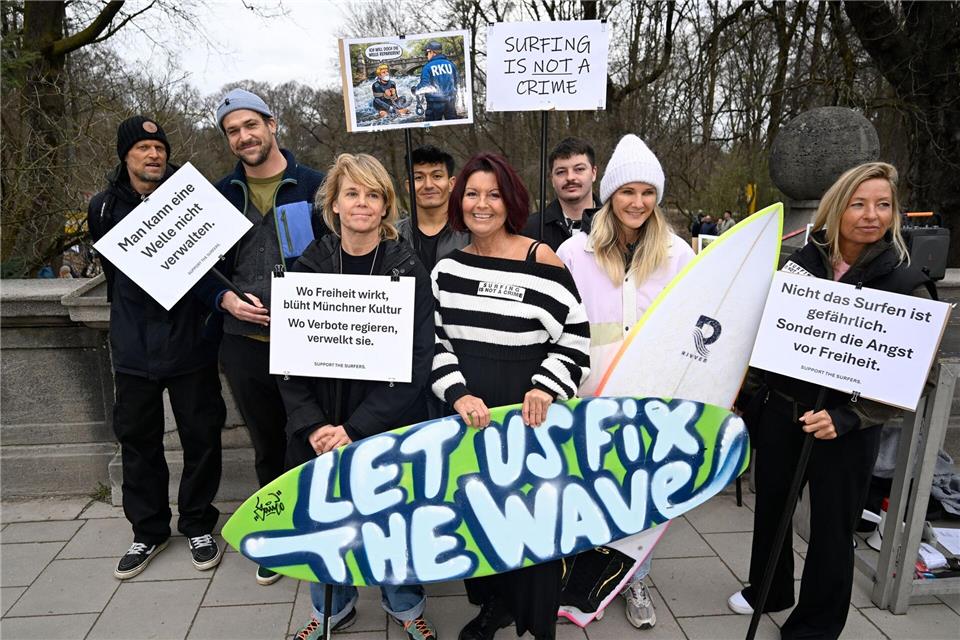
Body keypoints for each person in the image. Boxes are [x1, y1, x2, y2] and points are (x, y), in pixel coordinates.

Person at [728, 162, 934, 639]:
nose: (871, 215)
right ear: (836, 208)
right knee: (772, 508)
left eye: (883, 205)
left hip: (845, 429)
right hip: (783, 412)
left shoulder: (905, 281)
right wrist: (749, 395)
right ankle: (769, 589)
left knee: (832, 530)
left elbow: (909, 376)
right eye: (859, 204)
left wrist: (849, 417)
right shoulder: (799, 263)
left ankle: (817, 625)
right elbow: (766, 335)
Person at [430, 152, 591, 640]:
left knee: (532, 520)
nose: (483, 205)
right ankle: (491, 606)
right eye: (473, 194)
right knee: (477, 518)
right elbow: (432, 344)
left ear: (511, 200)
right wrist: (456, 395)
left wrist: (547, 385)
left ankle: (538, 622)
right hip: (470, 416)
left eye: (494, 194)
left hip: (530, 416)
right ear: (460, 202)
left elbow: (576, 339)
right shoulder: (447, 270)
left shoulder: (541, 259)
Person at [278, 153, 437, 640]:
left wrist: (356, 428)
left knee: (394, 518)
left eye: (373, 194)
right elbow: (287, 363)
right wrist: (315, 427)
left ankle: (405, 605)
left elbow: (417, 364)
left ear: (386, 205)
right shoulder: (309, 265)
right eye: (352, 193)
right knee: (325, 519)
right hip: (321, 427)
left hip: (384, 424)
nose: (362, 203)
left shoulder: (407, 268)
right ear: (334, 203)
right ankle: (333, 607)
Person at [557, 134, 695, 629]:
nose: (638, 203)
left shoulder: (677, 254)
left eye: (648, 192)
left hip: (649, 400)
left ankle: (635, 580)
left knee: (642, 495)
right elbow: (558, 323)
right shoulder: (576, 252)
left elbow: (693, 327)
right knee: (587, 491)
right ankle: (578, 578)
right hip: (588, 395)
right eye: (627, 192)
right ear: (610, 195)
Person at [88, 115, 226, 580]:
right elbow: (114, 277)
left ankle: (198, 523)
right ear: (125, 155)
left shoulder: (192, 201)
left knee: (202, 436)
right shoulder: (102, 207)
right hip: (132, 348)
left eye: (159, 147)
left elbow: (211, 269)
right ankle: (147, 530)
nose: (154, 154)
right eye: (143, 148)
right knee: (137, 442)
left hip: (190, 343)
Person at [199, 88, 326, 586]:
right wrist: (224, 300)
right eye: (232, 130)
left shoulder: (316, 185)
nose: (243, 136)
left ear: (273, 125)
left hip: (312, 340)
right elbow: (195, 268)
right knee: (266, 443)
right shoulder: (215, 196)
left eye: (251, 124)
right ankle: (275, 535)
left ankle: (318, 523)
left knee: (316, 435)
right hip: (243, 344)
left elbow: (342, 251)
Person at [398, 144, 470, 272]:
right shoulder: (393, 236)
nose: (428, 185)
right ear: (409, 186)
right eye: (419, 177)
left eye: (437, 176)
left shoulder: (471, 233)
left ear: (451, 183)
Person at [522, 137, 602, 251]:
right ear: (552, 179)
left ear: (593, 173)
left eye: (579, 169)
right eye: (561, 172)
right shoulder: (530, 230)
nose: (570, 177)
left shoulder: (616, 226)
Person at [416, 40, 459, 121]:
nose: (426, 55)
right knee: (453, 125)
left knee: (433, 127)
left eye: (427, 53)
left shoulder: (427, 67)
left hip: (434, 104)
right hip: (450, 102)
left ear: (432, 52)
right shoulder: (451, 64)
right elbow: (456, 81)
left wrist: (416, 89)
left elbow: (424, 86)